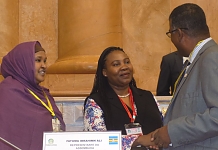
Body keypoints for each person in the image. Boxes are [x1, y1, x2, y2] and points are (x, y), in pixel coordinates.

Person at [132, 3, 218, 149]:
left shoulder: (211, 57)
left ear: (179, 33)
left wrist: (172, 132)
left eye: (170, 33)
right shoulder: (197, 60)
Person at [83, 46, 163, 150]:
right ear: (105, 72)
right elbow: (96, 142)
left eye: (127, 62)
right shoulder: (95, 102)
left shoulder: (148, 96)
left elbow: (163, 128)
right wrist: (137, 140)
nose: (124, 67)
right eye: (116, 64)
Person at [0, 41, 65, 150]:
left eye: (45, 61)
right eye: (38, 60)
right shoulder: (7, 92)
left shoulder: (44, 94)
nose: (44, 66)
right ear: (23, 63)